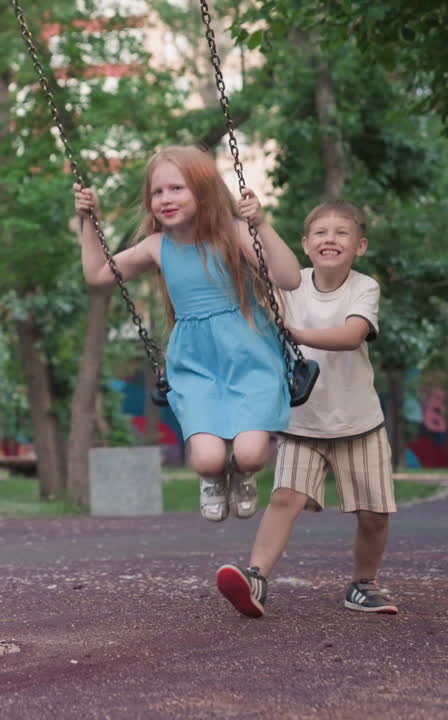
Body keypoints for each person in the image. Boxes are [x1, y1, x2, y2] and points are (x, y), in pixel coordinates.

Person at [74, 145, 302, 523]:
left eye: (177, 188)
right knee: (208, 460)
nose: (165, 199)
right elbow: (98, 275)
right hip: (195, 362)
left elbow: (289, 278)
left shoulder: (235, 234)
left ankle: (244, 475)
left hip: (250, 354)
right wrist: (89, 219)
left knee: (250, 453)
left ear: (204, 190)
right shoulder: (156, 247)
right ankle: (213, 479)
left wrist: (260, 225)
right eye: (158, 192)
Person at [216, 200, 397, 618]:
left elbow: (352, 335)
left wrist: (295, 332)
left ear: (360, 246)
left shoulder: (364, 287)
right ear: (304, 243)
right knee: (285, 499)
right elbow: (248, 269)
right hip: (303, 423)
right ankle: (256, 577)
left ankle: (363, 584)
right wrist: (249, 221)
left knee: (373, 514)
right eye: (320, 232)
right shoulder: (289, 284)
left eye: (341, 233)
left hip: (359, 423)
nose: (329, 239)